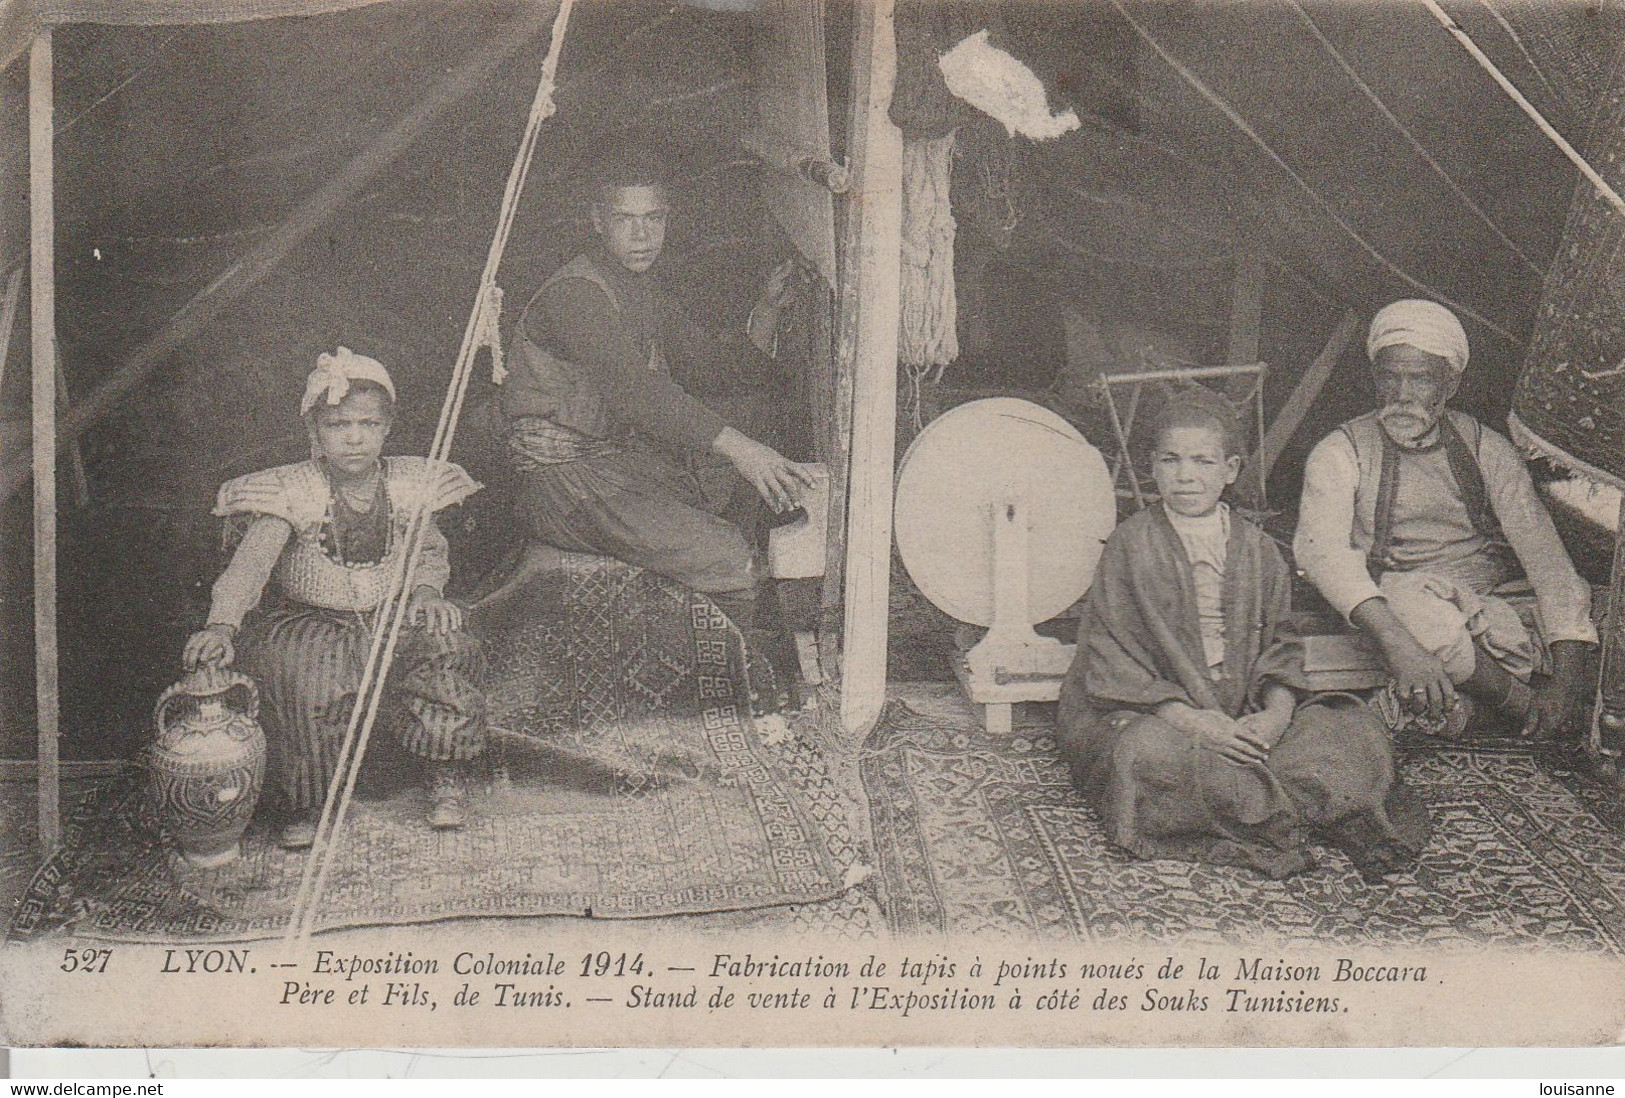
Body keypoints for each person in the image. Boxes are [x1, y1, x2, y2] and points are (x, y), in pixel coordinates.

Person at [1058, 388, 1430, 880]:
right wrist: (1197, 724)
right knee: (1141, 756)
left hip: (1246, 706)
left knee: (1350, 726)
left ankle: (1255, 797)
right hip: (1162, 713)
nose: (1186, 475)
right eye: (1170, 460)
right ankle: (1288, 812)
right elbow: (1111, 657)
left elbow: (1281, 646)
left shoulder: (1260, 551)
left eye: (1202, 461)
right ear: (1152, 465)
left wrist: (1274, 717)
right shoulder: (1129, 546)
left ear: (1230, 470)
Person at [499, 150, 817, 634]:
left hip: (616, 467)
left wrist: (769, 308)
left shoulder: (640, 290)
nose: (642, 234)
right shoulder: (576, 296)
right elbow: (638, 392)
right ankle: (733, 678)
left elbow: (708, 367)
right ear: (598, 223)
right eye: (626, 219)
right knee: (729, 559)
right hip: (566, 485)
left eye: (653, 218)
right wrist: (742, 450)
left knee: (743, 438)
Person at [182, 348, 487, 850]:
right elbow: (250, 567)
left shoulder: (408, 485)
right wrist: (221, 625)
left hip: (392, 609)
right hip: (313, 618)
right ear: (315, 433)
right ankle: (309, 800)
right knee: (302, 672)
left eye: (368, 424)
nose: (354, 437)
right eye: (337, 425)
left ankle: (443, 774)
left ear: (387, 429)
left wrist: (428, 592)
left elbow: (428, 550)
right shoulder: (293, 491)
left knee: (447, 645)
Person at [1294, 300, 1598, 740]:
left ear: (1450, 383)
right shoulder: (1341, 451)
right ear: (1375, 376)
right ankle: (1516, 706)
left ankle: (1474, 709)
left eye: (1419, 378)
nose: (1402, 393)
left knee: (1598, 623)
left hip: (1489, 604)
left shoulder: (1485, 449)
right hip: (1398, 603)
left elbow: (1549, 565)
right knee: (1415, 615)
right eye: (1390, 376)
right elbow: (1325, 558)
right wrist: (1403, 648)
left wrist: (1566, 689)